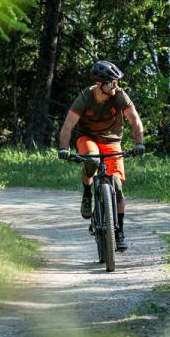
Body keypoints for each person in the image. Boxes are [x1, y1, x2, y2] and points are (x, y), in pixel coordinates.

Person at [58, 60, 145, 250]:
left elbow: (135, 120)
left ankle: (119, 231)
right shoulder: (85, 97)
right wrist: (64, 148)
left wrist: (139, 143)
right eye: (112, 83)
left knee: (117, 187)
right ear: (100, 84)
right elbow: (68, 125)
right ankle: (87, 193)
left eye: (117, 82)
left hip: (112, 141)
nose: (116, 86)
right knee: (91, 160)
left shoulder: (119, 95)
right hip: (88, 138)